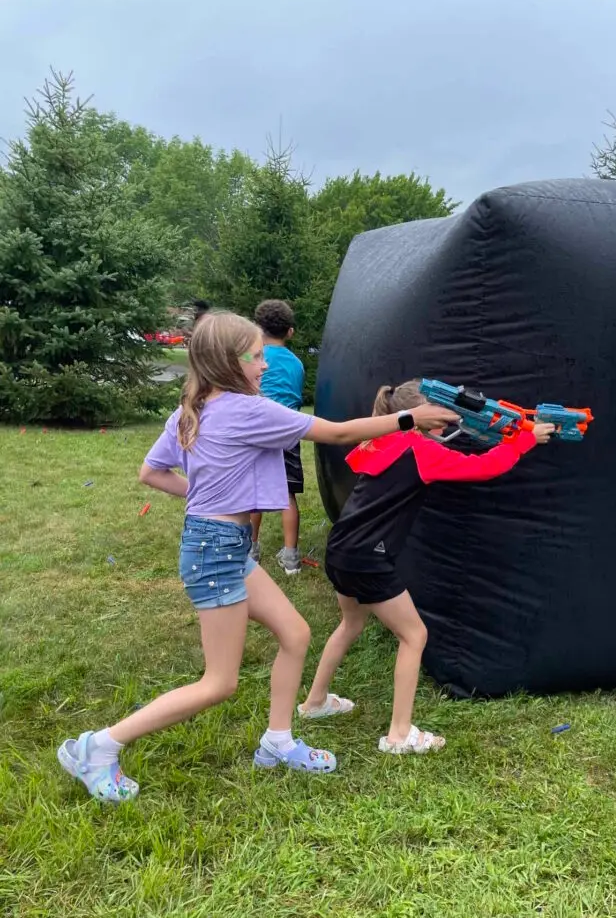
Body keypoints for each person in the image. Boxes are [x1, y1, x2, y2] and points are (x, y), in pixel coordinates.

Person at [56, 315, 458, 802]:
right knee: (219, 682)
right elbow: (335, 432)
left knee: (295, 633)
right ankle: (97, 746)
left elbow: (151, 473)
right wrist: (411, 419)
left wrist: (205, 503)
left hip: (218, 545)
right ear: (231, 362)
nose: (266, 364)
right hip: (216, 553)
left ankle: (278, 741)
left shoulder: (192, 408)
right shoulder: (249, 411)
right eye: (257, 356)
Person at [297, 379, 556, 755]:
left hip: (341, 550)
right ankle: (399, 735)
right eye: (441, 416)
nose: (448, 423)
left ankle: (314, 702)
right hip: (369, 558)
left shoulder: (385, 439)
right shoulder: (419, 450)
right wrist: (523, 441)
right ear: (421, 417)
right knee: (414, 636)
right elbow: (484, 468)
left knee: (350, 623)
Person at [249, 300, 305, 572]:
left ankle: (250, 550)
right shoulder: (297, 364)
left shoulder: (254, 359)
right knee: (287, 494)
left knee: (251, 494)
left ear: (257, 330)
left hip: (257, 433)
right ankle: (291, 557)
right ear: (290, 332)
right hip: (288, 433)